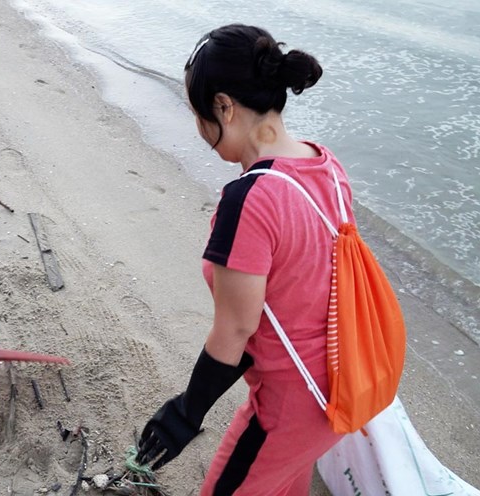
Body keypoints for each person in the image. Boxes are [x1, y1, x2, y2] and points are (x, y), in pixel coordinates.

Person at [136, 24, 352, 495]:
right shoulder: (327, 167)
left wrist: (185, 412)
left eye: (198, 114)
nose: (198, 130)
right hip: (342, 384)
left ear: (224, 106)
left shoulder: (249, 199)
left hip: (291, 404)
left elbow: (237, 329)